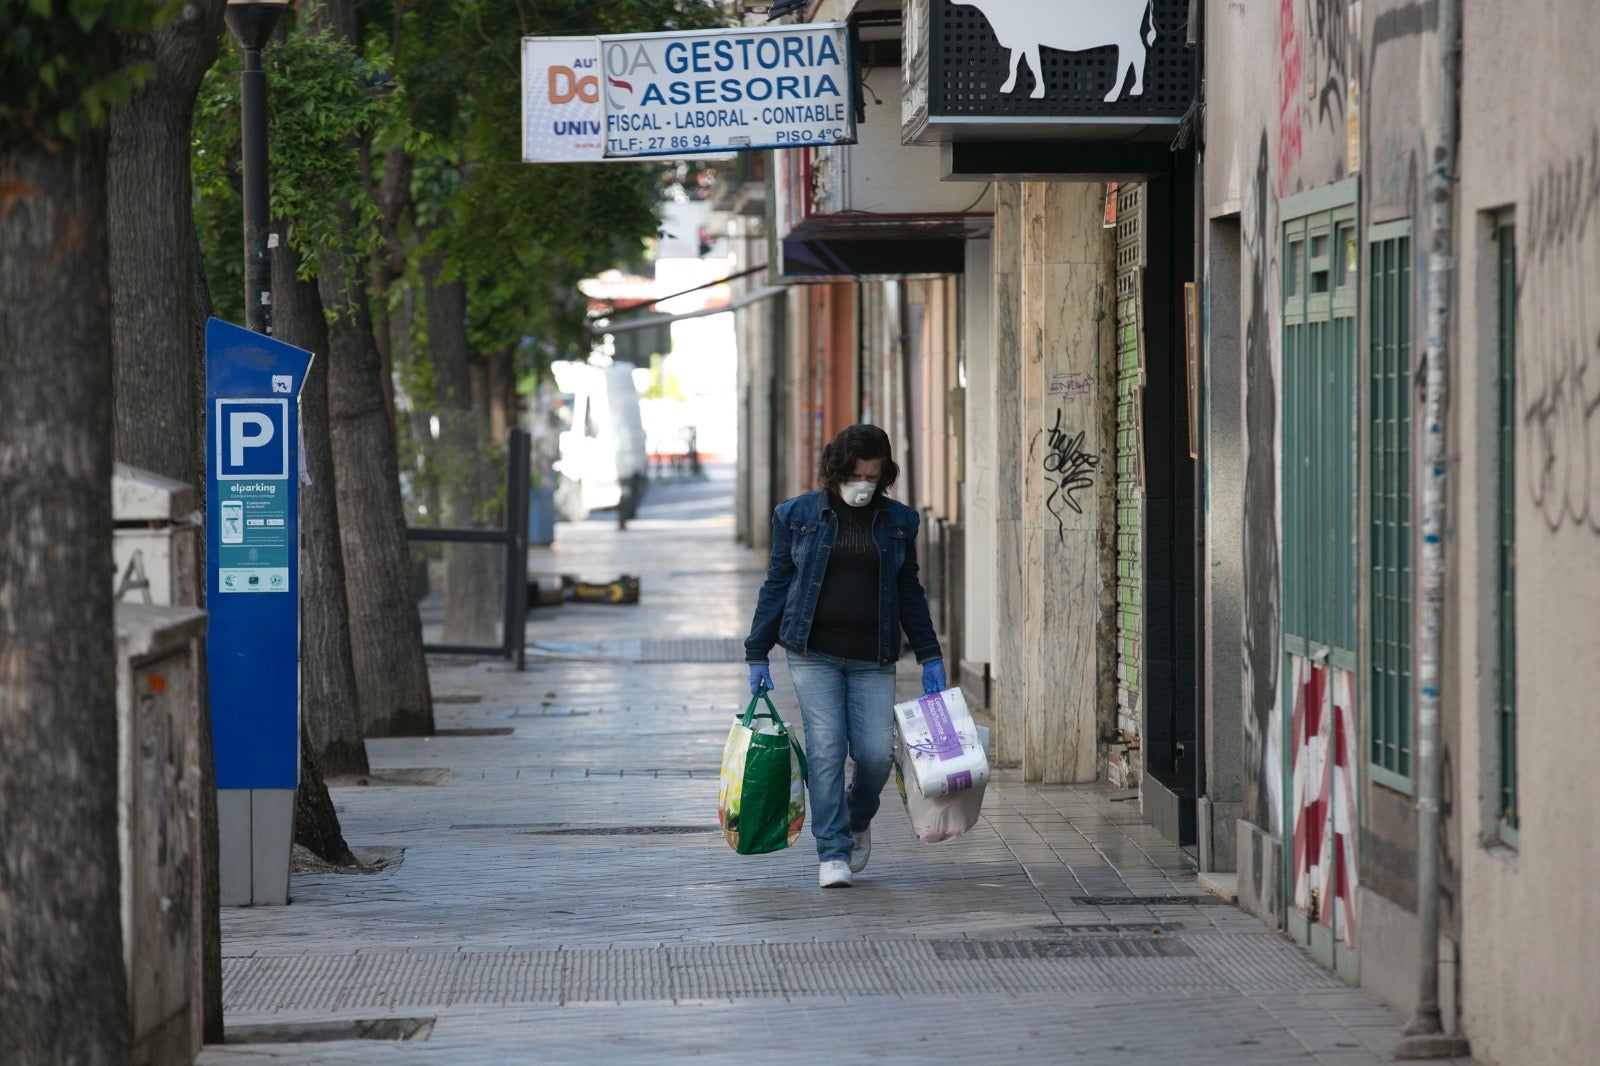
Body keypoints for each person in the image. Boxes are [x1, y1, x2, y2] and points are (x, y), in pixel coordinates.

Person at [743, 424, 946, 888]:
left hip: (873, 656)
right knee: (828, 748)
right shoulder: (795, 516)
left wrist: (930, 653)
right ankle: (832, 851)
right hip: (813, 653)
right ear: (837, 470)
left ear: (884, 474)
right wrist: (757, 651)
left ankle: (857, 818)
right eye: (855, 475)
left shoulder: (899, 521)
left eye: (872, 477)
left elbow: (908, 590)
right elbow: (777, 583)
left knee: (875, 754)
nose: (863, 485)